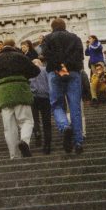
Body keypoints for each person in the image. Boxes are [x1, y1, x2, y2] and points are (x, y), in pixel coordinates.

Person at [0, 38, 35, 159]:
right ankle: (24, 141)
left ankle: (14, 155)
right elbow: (35, 70)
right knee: (26, 121)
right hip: (20, 90)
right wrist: (24, 75)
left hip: (3, 94)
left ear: (3, 46)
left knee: (9, 127)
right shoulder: (20, 57)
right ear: (14, 45)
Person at [41, 17, 85, 154]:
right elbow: (80, 55)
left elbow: (46, 54)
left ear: (52, 27)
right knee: (75, 108)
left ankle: (64, 126)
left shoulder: (47, 38)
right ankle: (78, 142)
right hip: (73, 73)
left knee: (56, 105)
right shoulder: (75, 38)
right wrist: (67, 65)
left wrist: (60, 66)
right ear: (65, 26)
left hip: (55, 73)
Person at [28, 60, 52, 154]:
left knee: (35, 118)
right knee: (46, 122)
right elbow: (50, 82)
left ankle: (37, 131)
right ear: (40, 63)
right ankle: (47, 145)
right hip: (45, 97)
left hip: (33, 97)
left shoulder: (30, 71)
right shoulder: (45, 70)